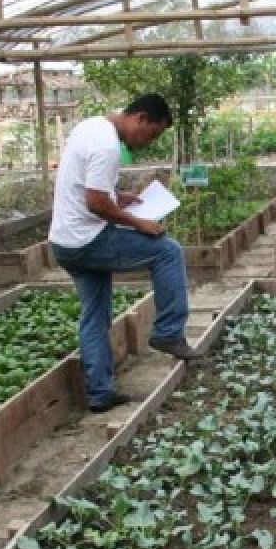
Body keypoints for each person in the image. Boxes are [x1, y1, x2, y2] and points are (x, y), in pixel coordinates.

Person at [49, 93, 197, 413]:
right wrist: (138, 223)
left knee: (95, 314)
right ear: (140, 118)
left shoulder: (91, 127)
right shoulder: (108, 147)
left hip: (64, 242)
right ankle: (168, 333)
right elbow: (96, 203)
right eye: (152, 134)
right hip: (87, 239)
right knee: (167, 252)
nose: (148, 142)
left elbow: (90, 187)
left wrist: (119, 195)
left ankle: (100, 393)